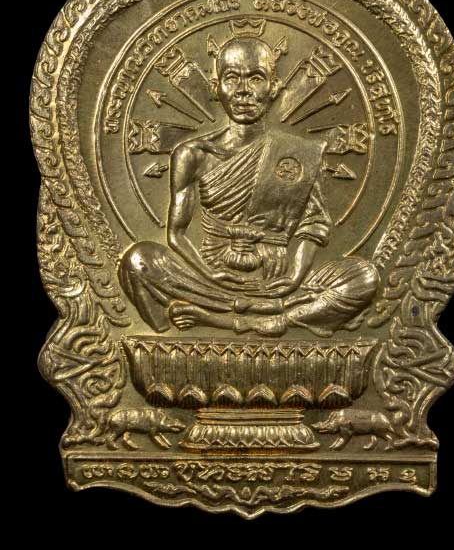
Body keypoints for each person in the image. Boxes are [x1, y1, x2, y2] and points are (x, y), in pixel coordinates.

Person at [118, 27, 378, 337]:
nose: (243, 91)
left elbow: (315, 224)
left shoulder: (298, 153)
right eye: (232, 78)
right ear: (216, 87)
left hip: (277, 281)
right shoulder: (193, 153)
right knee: (138, 261)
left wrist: (295, 277)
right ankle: (260, 314)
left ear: (274, 86)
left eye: (255, 78)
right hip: (210, 279)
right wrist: (210, 274)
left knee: (363, 277)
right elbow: (176, 233)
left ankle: (236, 320)